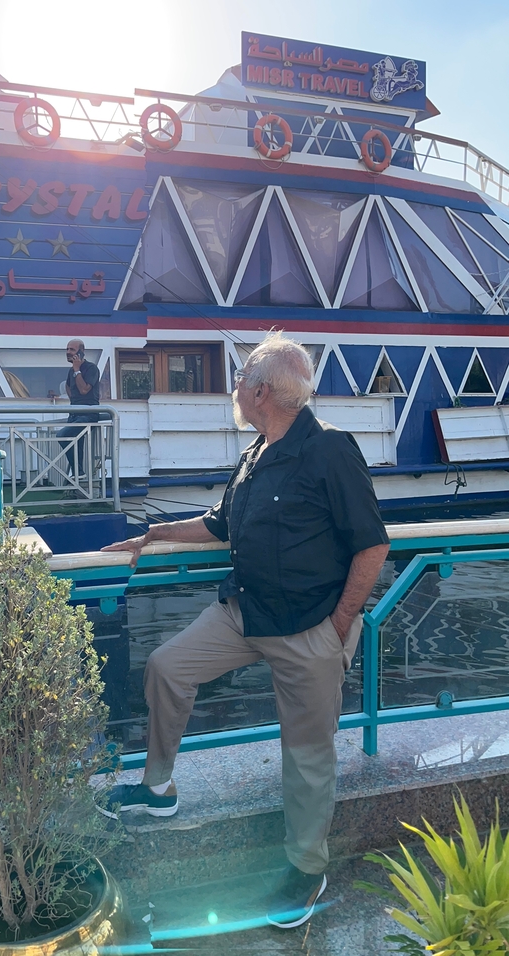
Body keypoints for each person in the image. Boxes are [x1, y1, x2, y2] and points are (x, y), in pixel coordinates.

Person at [98, 331, 390, 929]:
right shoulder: (256, 451)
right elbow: (221, 524)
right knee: (166, 667)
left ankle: (308, 870)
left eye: (238, 380)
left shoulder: (331, 449)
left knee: (306, 756)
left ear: (260, 391)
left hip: (310, 625)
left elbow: (373, 544)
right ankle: (159, 788)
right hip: (245, 613)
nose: (234, 389)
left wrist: (339, 628)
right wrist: (153, 536)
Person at [57, 339, 100, 479]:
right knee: (76, 444)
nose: (68, 352)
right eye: (67, 349)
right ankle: (78, 474)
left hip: (88, 415)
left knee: (62, 436)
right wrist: (73, 401)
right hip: (74, 414)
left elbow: (84, 390)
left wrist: (77, 370)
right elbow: (69, 387)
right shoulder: (71, 371)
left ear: (81, 352)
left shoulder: (91, 368)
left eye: (72, 350)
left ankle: (78, 472)